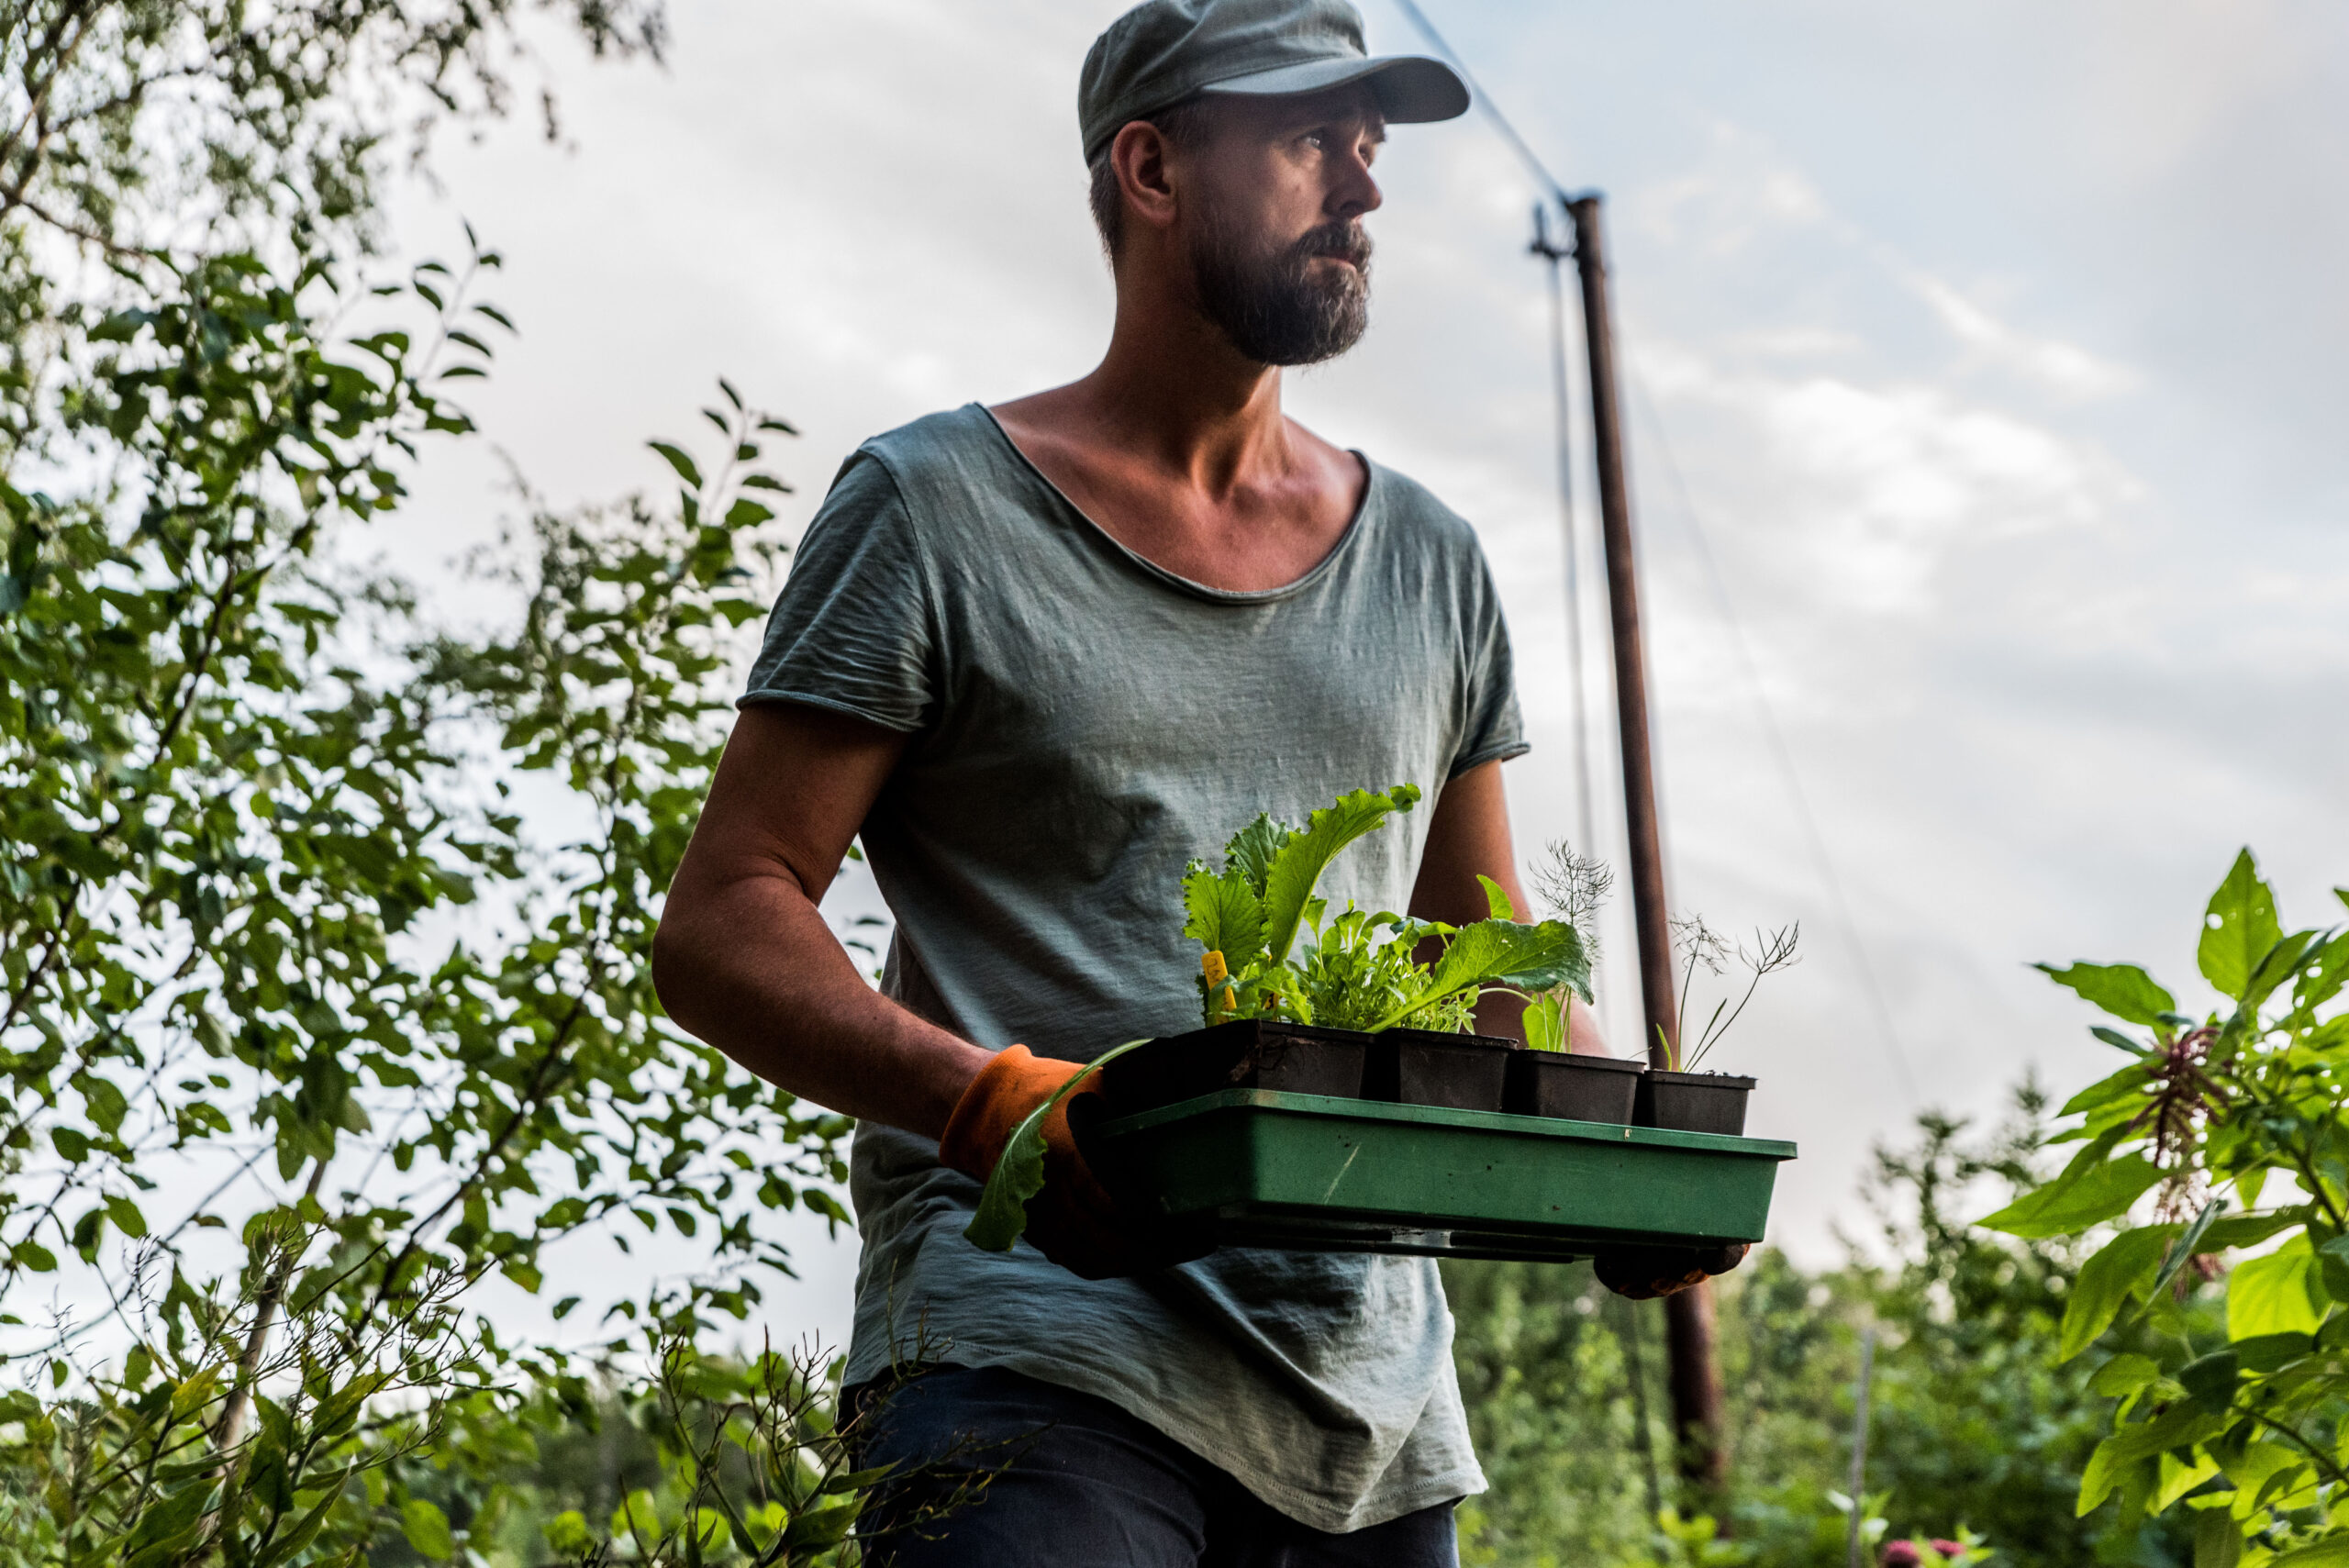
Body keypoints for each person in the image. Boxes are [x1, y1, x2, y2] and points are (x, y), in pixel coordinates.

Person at [652, 1, 1740, 1561]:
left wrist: (1626, 1154)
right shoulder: (934, 512)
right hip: (1031, 1357)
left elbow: (1478, 954)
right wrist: (987, 1103)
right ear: (1152, 167)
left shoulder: (1429, 564)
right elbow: (722, 917)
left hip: (1370, 1418)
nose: (1362, 186)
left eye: (1370, 145)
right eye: (1310, 139)